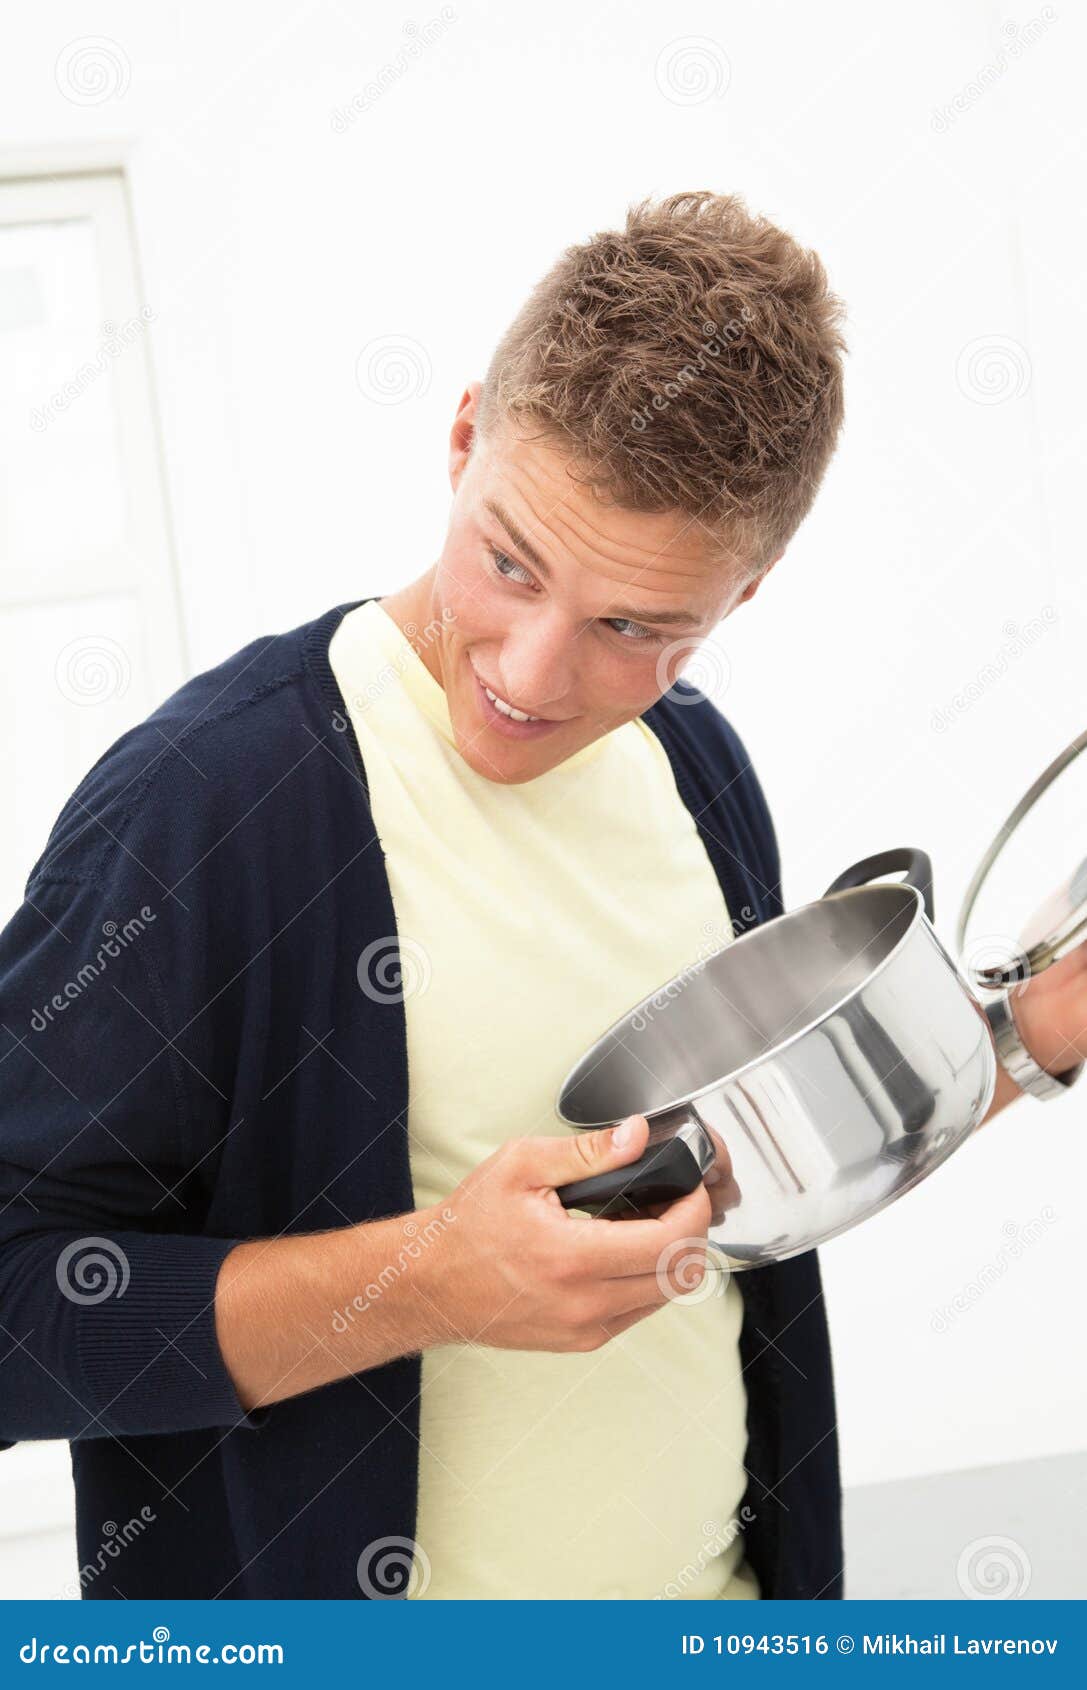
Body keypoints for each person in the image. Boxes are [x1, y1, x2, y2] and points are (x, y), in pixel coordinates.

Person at [1, 192, 1082, 1602]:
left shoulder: (693, 768)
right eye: (510, 561)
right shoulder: (212, 804)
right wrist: (428, 1281)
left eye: (635, 626)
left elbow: (751, 1165)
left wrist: (1035, 1033)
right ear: (462, 441)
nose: (531, 670)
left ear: (741, 598)